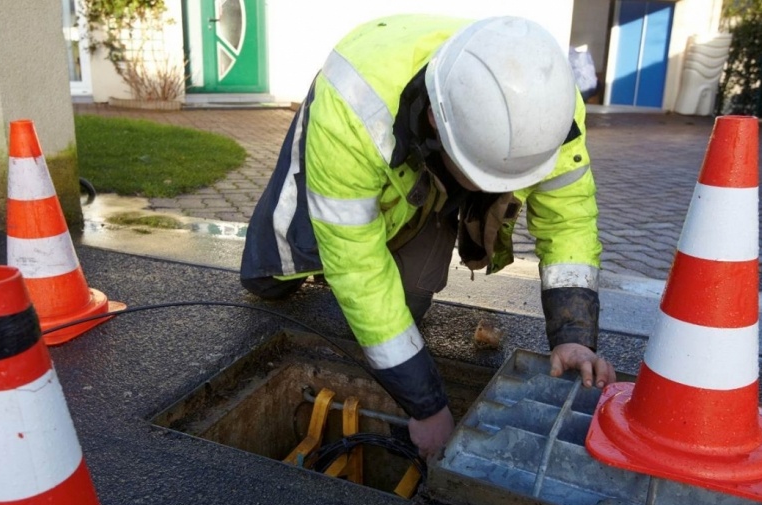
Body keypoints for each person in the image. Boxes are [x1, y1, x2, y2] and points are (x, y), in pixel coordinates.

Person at [240, 14, 616, 459]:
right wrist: (428, 407)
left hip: (443, 148)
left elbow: (568, 220)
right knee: (270, 273)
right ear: (437, 121)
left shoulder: (549, 109)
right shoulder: (354, 107)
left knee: (407, 306)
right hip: (354, 125)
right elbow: (356, 263)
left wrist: (573, 334)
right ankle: (287, 268)